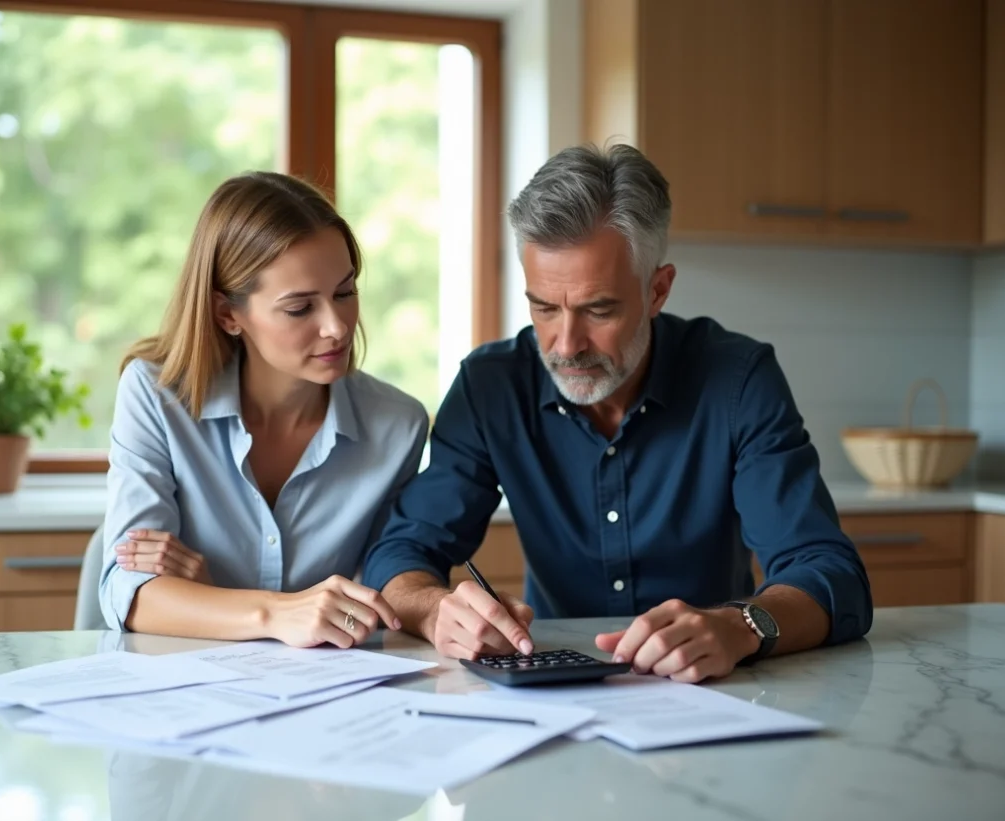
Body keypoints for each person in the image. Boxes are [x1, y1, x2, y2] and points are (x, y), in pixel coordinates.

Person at [361, 143, 873, 683]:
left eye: (598, 309)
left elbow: (829, 574)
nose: (565, 344)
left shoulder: (739, 380)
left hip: (712, 688)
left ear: (658, 289)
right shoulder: (490, 386)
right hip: (551, 687)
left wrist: (742, 626)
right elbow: (403, 551)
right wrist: (435, 609)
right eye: (543, 307)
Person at [99, 171, 428, 648]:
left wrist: (206, 596)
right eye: (300, 308)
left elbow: (378, 601)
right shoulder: (156, 396)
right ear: (227, 314)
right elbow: (130, 594)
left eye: (345, 292)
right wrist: (273, 613)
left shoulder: (399, 425)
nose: (337, 327)